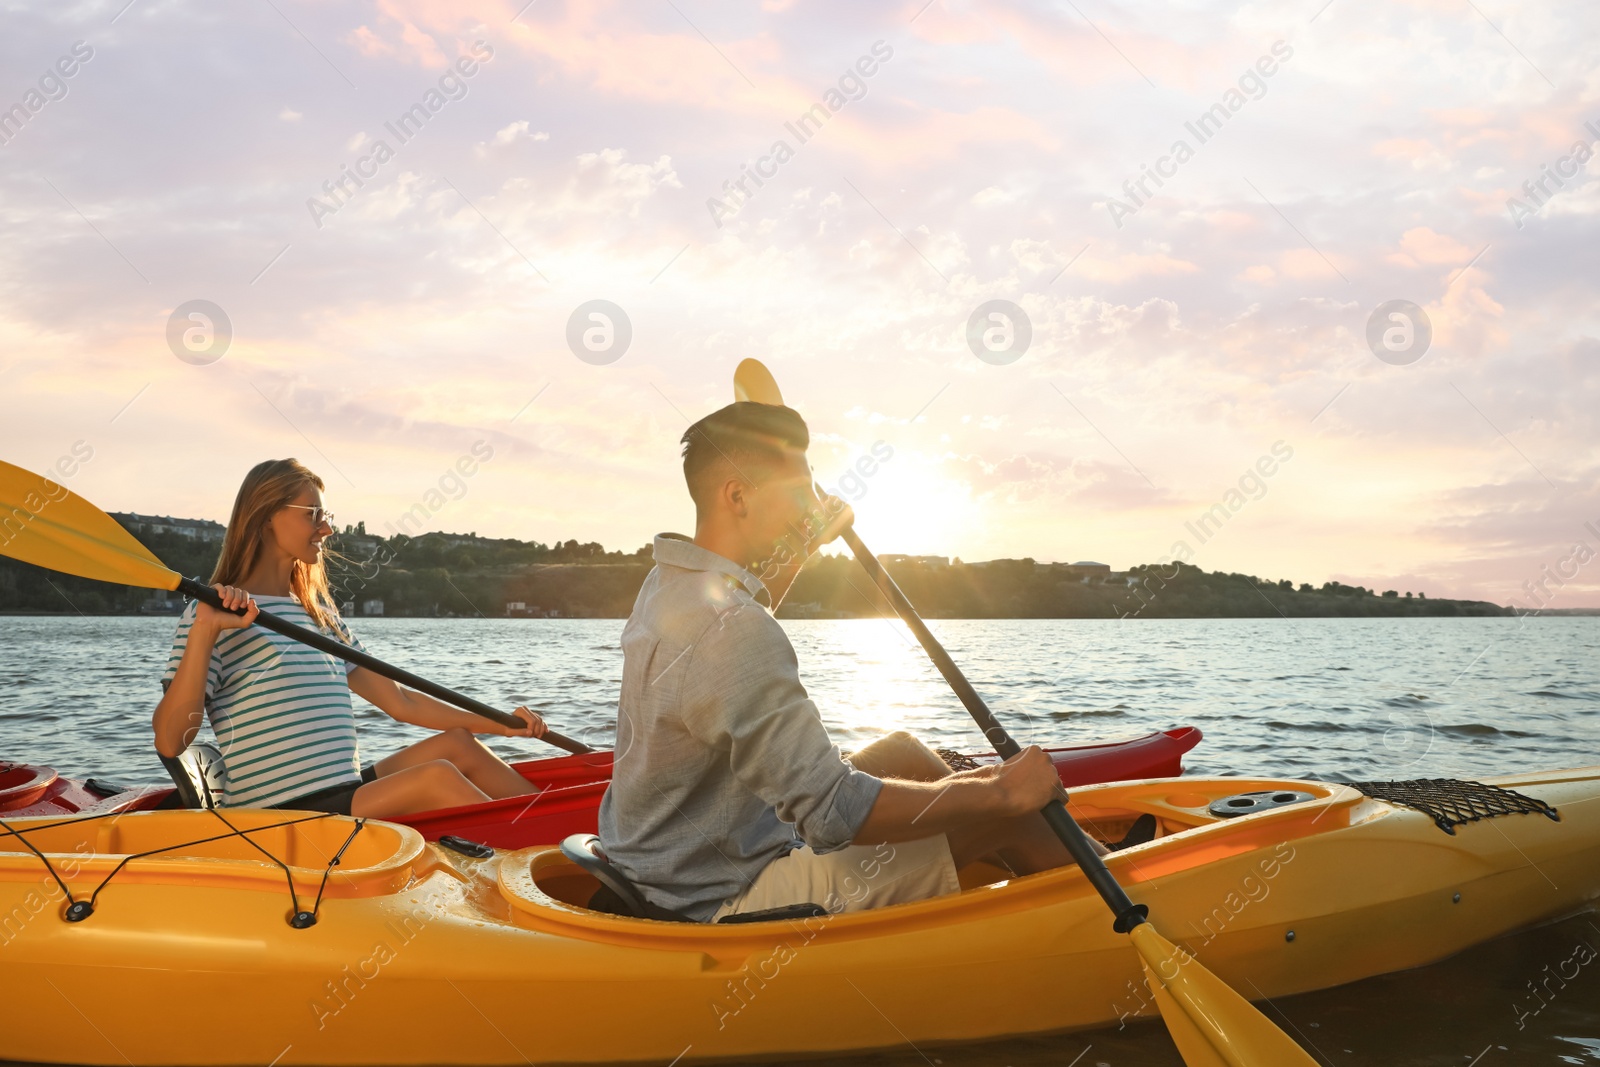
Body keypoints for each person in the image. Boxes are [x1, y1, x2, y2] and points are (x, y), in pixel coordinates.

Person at [597, 402, 1089, 923]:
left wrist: (806, 537)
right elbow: (832, 814)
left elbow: (737, 633)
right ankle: (1128, 897)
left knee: (905, 752)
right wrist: (1001, 790)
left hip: (673, 866)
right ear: (738, 496)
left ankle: (1054, 872)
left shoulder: (670, 582)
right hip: (720, 896)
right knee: (1010, 813)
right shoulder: (734, 629)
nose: (812, 501)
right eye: (799, 490)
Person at [152, 458, 547, 817]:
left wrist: (501, 724)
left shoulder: (319, 616)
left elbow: (401, 700)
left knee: (458, 745)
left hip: (341, 792)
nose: (327, 528)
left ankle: (554, 828)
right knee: (436, 778)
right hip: (286, 817)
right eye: (313, 515)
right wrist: (205, 631)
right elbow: (171, 741)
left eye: (326, 515)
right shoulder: (213, 614)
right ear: (266, 516)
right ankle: (543, 866)